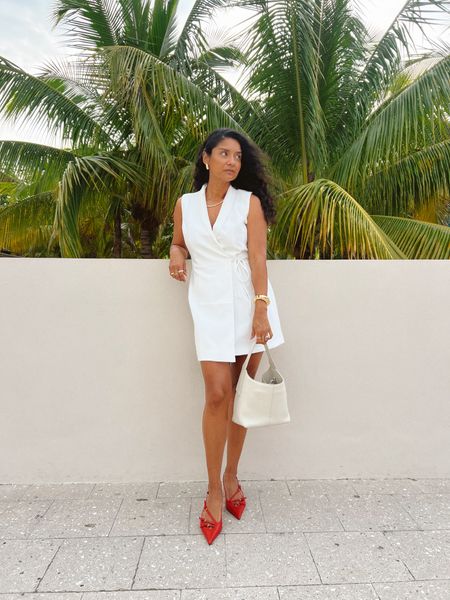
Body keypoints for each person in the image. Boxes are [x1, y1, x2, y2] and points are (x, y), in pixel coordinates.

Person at [169, 128, 285, 544]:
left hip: (247, 303)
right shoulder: (185, 205)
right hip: (208, 304)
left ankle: (232, 477)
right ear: (205, 159)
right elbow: (181, 243)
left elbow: (258, 257)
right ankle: (213, 488)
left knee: (241, 396)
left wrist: (260, 308)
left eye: (237, 156)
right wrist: (175, 252)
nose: (232, 162)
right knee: (217, 393)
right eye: (223, 154)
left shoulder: (248, 203)